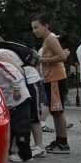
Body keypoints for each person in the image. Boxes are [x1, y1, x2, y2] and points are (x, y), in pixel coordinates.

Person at [0, 33, 46, 158]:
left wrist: (18, 89)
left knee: (32, 115)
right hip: (22, 84)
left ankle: (39, 147)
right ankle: (18, 147)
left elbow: (18, 71)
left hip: (29, 81)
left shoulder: (1, 55)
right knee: (20, 120)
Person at [30, 14, 69, 154]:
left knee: (58, 111)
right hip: (50, 79)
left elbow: (62, 57)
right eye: (33, 28)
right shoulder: (46, 41)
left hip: (56, 78)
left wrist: (42, 60)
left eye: (36, 27)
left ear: (45, 26)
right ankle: (59, 139)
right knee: (55, 111)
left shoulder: (51, 39)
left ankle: (63, 142)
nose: (34, 31)